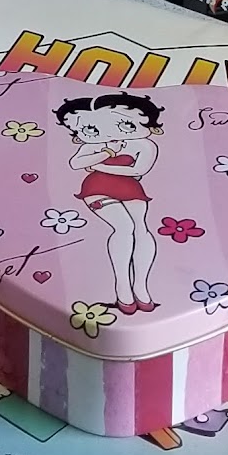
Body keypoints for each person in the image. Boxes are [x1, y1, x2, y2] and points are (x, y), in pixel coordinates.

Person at [55, 93, 163, 314]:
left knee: (140, 229)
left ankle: (141, 287)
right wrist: (106, 152)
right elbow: (75, 163)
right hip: (97, 188)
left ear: (150, 126)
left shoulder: (144, 145)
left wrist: (99, 165)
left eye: (126, 125)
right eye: (91, 128)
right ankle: (123, 287)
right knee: (124, 227)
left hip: (130, 188)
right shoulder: (97, 144)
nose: (112, 131)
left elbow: (139, 169)